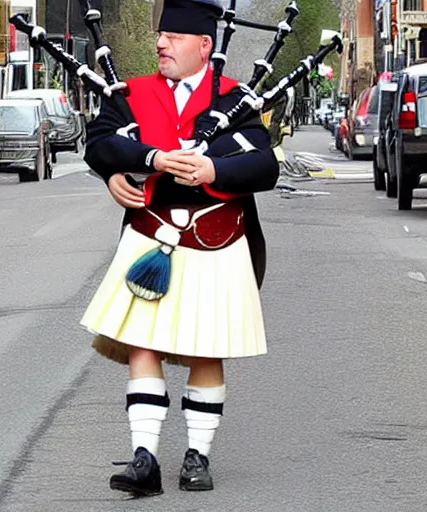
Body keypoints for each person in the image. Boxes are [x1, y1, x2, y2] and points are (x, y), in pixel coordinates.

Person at [81, 0, 279, 497]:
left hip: (217, 239)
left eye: (173, 37)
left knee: (205, 351)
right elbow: (99, 141)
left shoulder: (235, 100)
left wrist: (215, 171)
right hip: (149, 233)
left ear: (204, 46)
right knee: (140, 345)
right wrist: (120, 170)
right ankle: (144, 458)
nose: (161, 44)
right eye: (160, 35)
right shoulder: (133, 94)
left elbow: (264, 166)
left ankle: (197, 456)